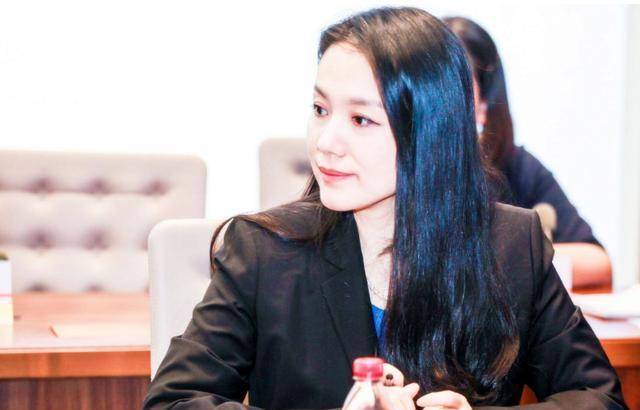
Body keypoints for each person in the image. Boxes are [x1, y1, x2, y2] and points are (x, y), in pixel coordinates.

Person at [143, 7, 626, 409]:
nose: (326, 142)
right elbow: (174, 401)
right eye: (320, 110)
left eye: (360, 119)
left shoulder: (514, 245)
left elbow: (598, 398)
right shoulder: (263, 250)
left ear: (431, 133)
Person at [443, 16, 612, 289]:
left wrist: (519, 254)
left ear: (483, 104)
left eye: (452, 88)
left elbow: (597, 262)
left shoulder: (515, 166)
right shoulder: (391, 168)